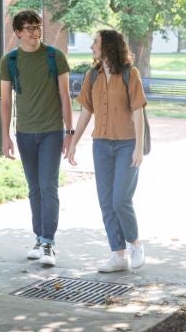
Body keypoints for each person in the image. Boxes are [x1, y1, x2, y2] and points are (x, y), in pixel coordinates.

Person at [67, 29, 147, 273]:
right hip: (101, 145)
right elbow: (85, 113)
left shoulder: (129, 73)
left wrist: (139, 147)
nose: (92, 46)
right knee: (106, 202)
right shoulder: (93, 75)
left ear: (108, 46)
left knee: (120, 199)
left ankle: (134, 244)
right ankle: (118, 255)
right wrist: (72, 142)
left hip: (126, 144)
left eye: (95, 42)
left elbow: (138, 111)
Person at [0, 10, 74, 267]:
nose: (34, 32)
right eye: (29, 28)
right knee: (34, 189)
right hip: (25, 133)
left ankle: (49, 243)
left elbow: (65, 96)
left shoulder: (55, 56)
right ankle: (39, 238)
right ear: (18, 32)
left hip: (52, 131)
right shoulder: (9, 61)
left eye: (37, 27)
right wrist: (5, 136)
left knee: (48, 186)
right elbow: (6, 101)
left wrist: (69, 132)